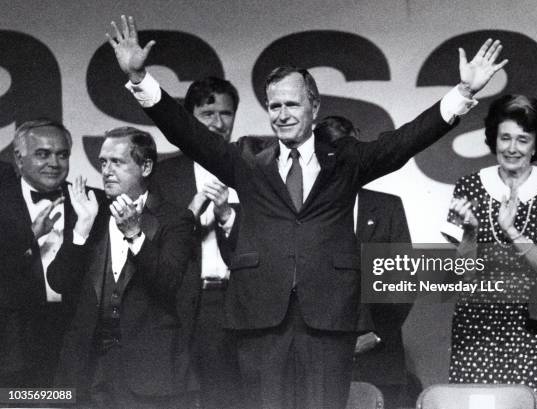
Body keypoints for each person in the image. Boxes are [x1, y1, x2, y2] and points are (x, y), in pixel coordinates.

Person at [107, 15, 507, 409]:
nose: (281, 114)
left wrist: (462, 92)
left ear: (314, 106)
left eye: (292, 104)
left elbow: (405, 141)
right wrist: (141, 80)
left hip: (328, 318)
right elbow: (186, 132)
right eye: (274, 105)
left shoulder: (346, 158)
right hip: (260, 318)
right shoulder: (249, 160)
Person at [441, 94, 537, 409]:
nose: (512, 147)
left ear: (536, 144)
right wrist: (471, 232)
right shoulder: (469, 187)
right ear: (494, 139)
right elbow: (463, 273)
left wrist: (513, 231)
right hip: (479, 326)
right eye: (505, 137)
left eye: (523, 139)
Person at [47, 127, 196, 408]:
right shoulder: (90, 212)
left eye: (117, 162)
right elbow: (58, 281)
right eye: (103, 162)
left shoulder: (175, 219)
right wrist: (81, 229)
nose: (106, 171)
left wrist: (135, 235)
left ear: (146, 166)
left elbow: (168, 283)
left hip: (147, 371)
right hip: (86, 368)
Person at [150, 77, 242, 409]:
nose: (218, 123)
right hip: (177, 304)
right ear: (188, 119)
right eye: (208, 113)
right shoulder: (162, 175)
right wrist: (189, 215)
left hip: (234, 303)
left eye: (227, 113)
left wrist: (227, 216)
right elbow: (153, 246)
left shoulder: (252, 169)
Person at [315, 116, 415, 408]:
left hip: (380, 361)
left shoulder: (387, 207)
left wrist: (376, 335)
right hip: (319, 360)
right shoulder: (302, 213)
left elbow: (404, 283)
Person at [0, 119, 86, 388]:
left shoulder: (91, 203)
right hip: (13, 344)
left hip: (77, 342)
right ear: (18, 157)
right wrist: (30, 236)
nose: (54, 163)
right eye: (42, 154)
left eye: (62, 154)